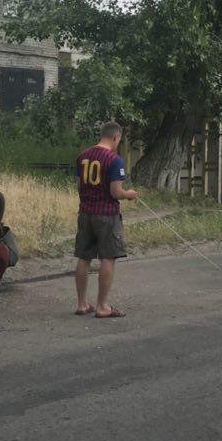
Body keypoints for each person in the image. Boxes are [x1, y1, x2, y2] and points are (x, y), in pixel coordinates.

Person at [73, 121, 138, 318]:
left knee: (84, 257)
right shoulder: (114, 160)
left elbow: (79, 187)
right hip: (107, 215)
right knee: (108, 258)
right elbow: (115, 192)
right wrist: (129, 194)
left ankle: (82, 303)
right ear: (115, 137)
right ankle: (102, 306)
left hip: (85, 213)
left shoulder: (82, 156)